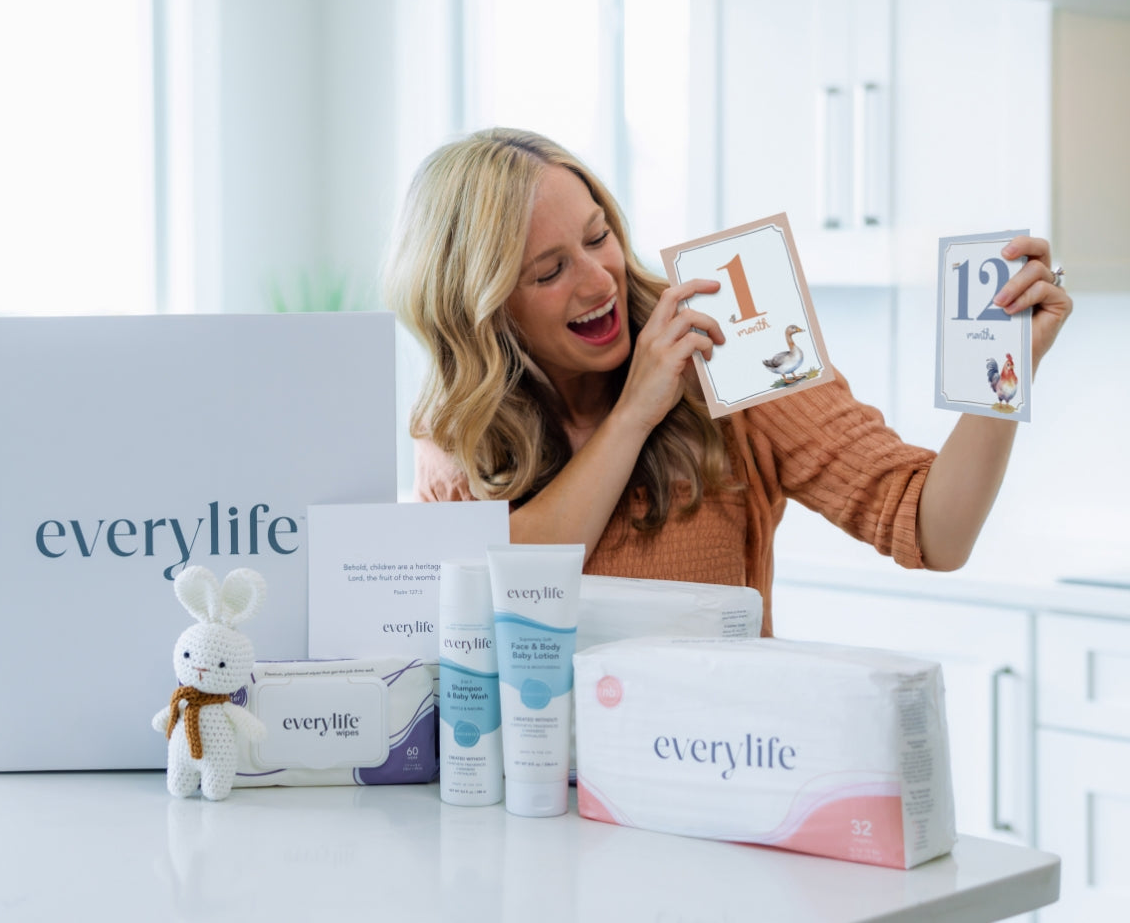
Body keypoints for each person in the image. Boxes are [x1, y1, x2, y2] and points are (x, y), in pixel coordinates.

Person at [383, 128, 1073, 635]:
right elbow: (510, 590)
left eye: (598, 237)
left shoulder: (731, 339)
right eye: (549, 271)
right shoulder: (460, 431)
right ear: (482, 309)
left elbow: (935, 531)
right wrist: (633, 415)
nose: (599, 280)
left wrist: (1003, 370)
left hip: (718, 765)